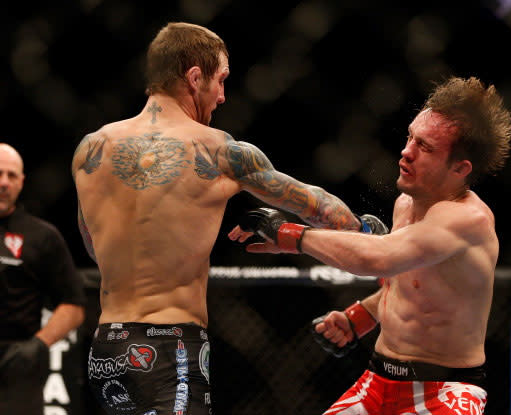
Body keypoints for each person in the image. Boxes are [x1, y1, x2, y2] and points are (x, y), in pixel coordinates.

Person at [72, 22, 386, 415]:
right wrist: (369, 232)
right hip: (170, 345)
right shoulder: (218, 150)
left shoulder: (92, 149)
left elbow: (93, 243)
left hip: (106, 349)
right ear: (194, 77)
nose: (222, 96)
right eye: (220, 80)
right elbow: (316, 206)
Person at [231, 76, 511, 414]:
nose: (406, 151)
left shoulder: (468, 220)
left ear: (459, 168)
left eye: (424, 147)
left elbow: (380, 259)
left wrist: (290, 235)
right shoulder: (406, 204)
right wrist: (361, 316)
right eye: (410, 136)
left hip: (444, 392)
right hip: (377, 381)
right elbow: (411, 284)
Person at [0, 143, 86, 415]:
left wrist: (36, 347)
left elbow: (73, 305)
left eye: (12, 176)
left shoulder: (42, 236)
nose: (4, 183)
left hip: (15, 367)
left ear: (22, 182)